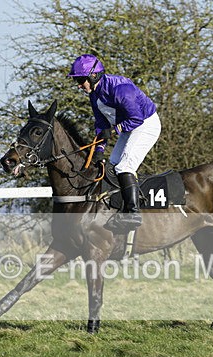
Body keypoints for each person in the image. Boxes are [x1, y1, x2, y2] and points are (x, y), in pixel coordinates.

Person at [67, 54, 161, 233]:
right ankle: (119, 206)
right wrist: (99, 150)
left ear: (93, 75)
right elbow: (101, 125)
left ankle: (133, 213)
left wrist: (114, 130)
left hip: (146, 124)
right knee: (112, 165)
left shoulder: (121, 89)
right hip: (129, 127)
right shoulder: (94, 95)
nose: (79, 85)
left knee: (124, 167)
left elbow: (136, 119)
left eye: (81, 80)